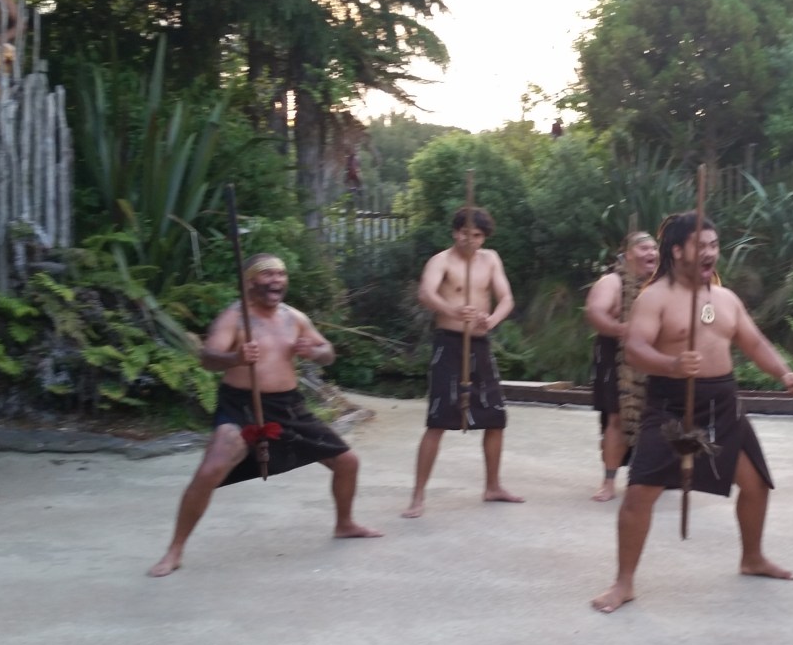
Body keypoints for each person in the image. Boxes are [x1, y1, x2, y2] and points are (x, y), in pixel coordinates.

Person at [591, 212, 793, 614]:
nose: (711, 253)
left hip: (722, 404)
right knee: (639, 495)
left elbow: (754, 342)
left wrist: (784, 372)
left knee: (757, 484)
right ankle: (624, 582)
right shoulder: (654, 298)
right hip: (671, 406)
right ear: (677, 251)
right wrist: (671, 365)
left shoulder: (725, 299)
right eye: (701, 246)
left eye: (714, 245)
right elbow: (636, 349)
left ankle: (752, 557)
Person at [148, 254, 382, 577]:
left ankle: (344, 523)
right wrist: (236, 356)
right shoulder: (234, 317)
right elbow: (207, 358)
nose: (276, 280)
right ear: (250, 281)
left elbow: (327, 352)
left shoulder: (294, 317)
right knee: (210, 469)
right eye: (267, 274)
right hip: (242, 405)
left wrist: (314, 352)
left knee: (347, 462)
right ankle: (174, 551)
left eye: (281, 275)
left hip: (289, 406)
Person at [405, 205, 521, 517]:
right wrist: (453, 310)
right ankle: (417, 496)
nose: (470, 240)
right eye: (465, 233)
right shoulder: (440, 261)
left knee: (496, 417)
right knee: (438, 420)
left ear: (484, 237)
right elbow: (426, 294)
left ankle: (493, 485)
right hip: (449, 343)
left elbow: (507, 298)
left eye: (477, 235)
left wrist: (492, 320)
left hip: (480, 344)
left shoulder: (491, 259)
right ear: (455, 232)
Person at [583, 230, 659, 501]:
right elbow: (595, 312)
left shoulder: (660, 284)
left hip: (652, 358)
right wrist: (623, 330)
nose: (651, 253)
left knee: (656, 418)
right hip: (616, 355)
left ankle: (654, 475)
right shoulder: (611, 282)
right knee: (616, 417)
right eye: (643, 248)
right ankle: (608, 483)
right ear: (627, 255)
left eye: (653, 248)